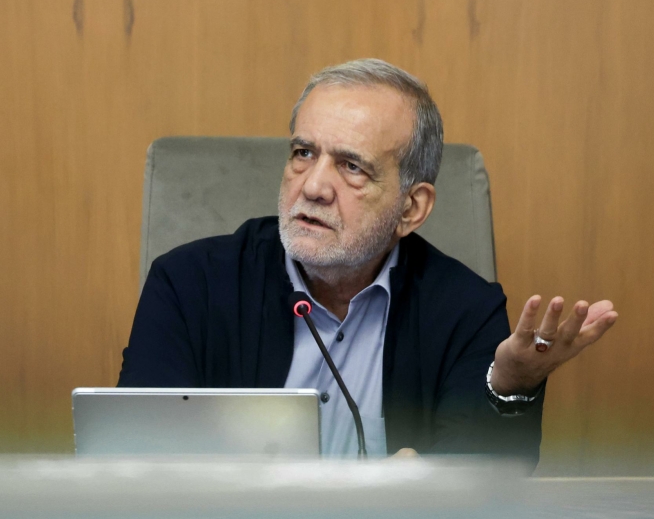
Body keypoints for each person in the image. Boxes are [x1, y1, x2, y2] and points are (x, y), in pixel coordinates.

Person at [118, 59, 618, 463]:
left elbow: (481, 485)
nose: (313, 186)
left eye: (351, 166)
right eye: (303, 153)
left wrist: (510, 387)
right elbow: (135, 461)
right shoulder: (188, 286)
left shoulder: (465, 309)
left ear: (411, 208)